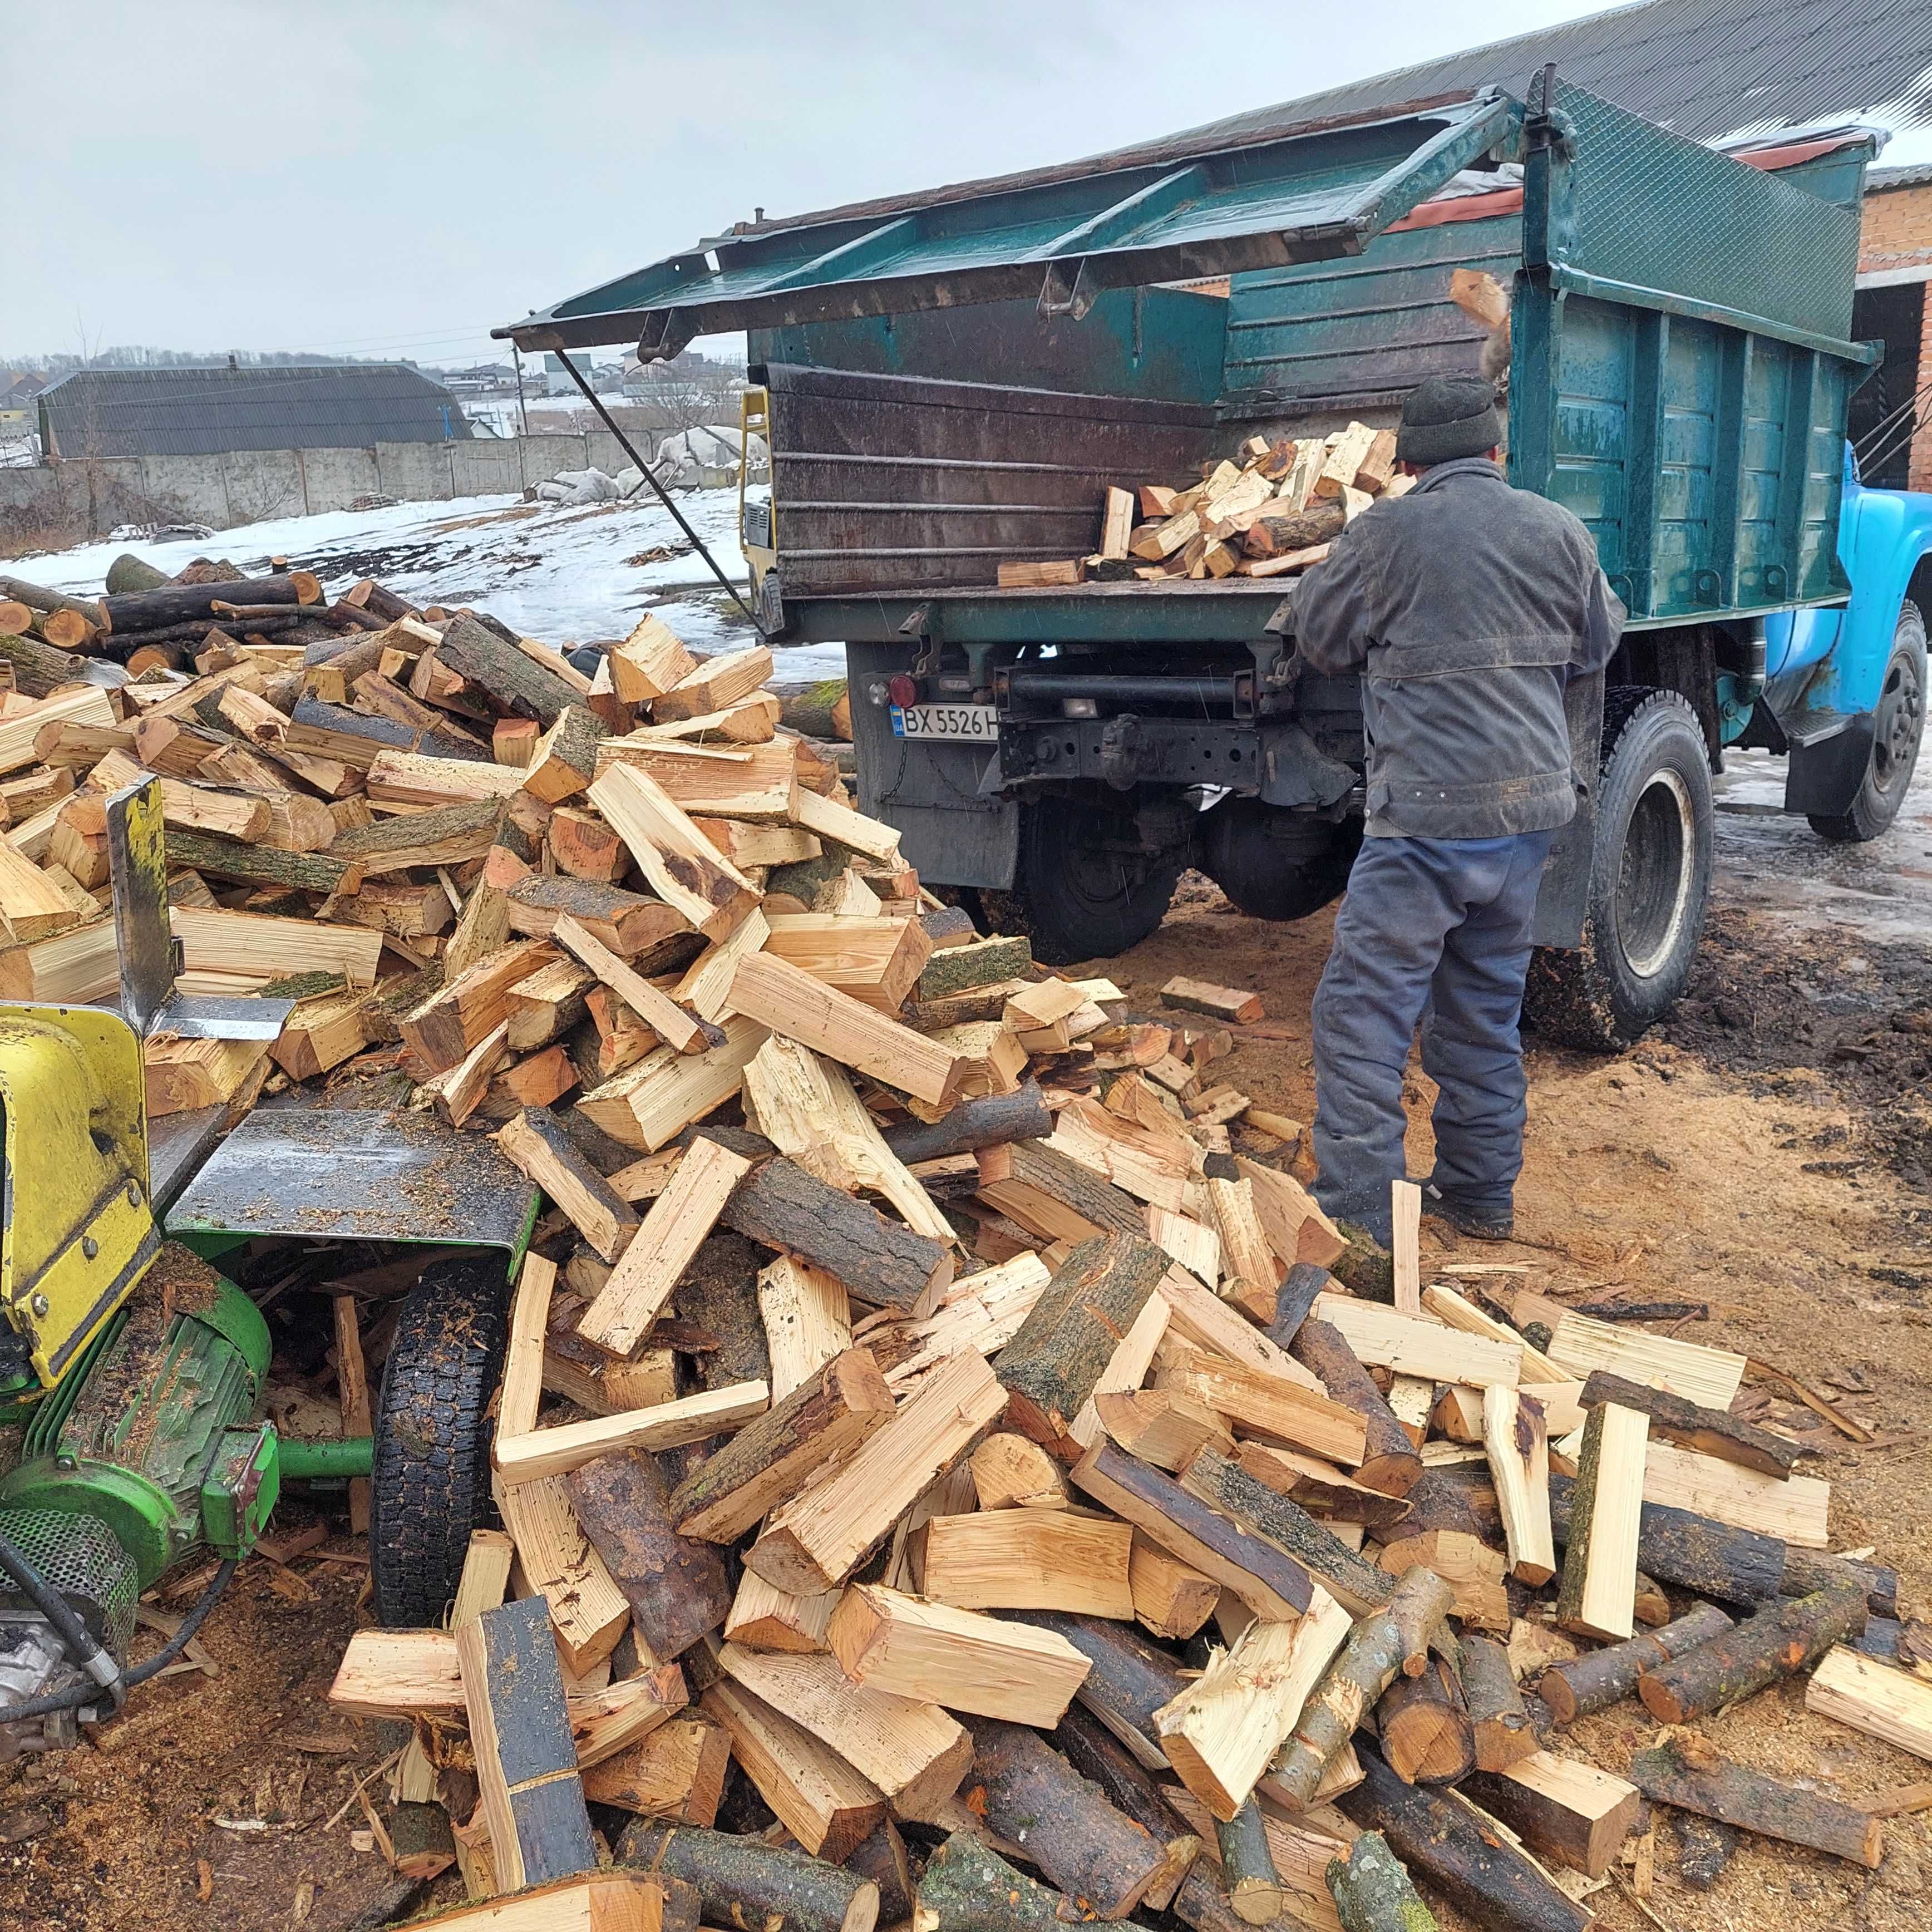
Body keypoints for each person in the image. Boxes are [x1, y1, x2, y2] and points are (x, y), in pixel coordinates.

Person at [1293, 373, 1625, 1248]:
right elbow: (1600, 641)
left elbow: (1320, 641)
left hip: (1427, 827)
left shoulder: (1383, 535)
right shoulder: (1559, 531)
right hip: (1527, 823)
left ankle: (1363, 1212)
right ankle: (1479, 1198)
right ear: (1495, 453)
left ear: (1404, 464)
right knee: (1481, 1010)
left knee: (1362, 1014)